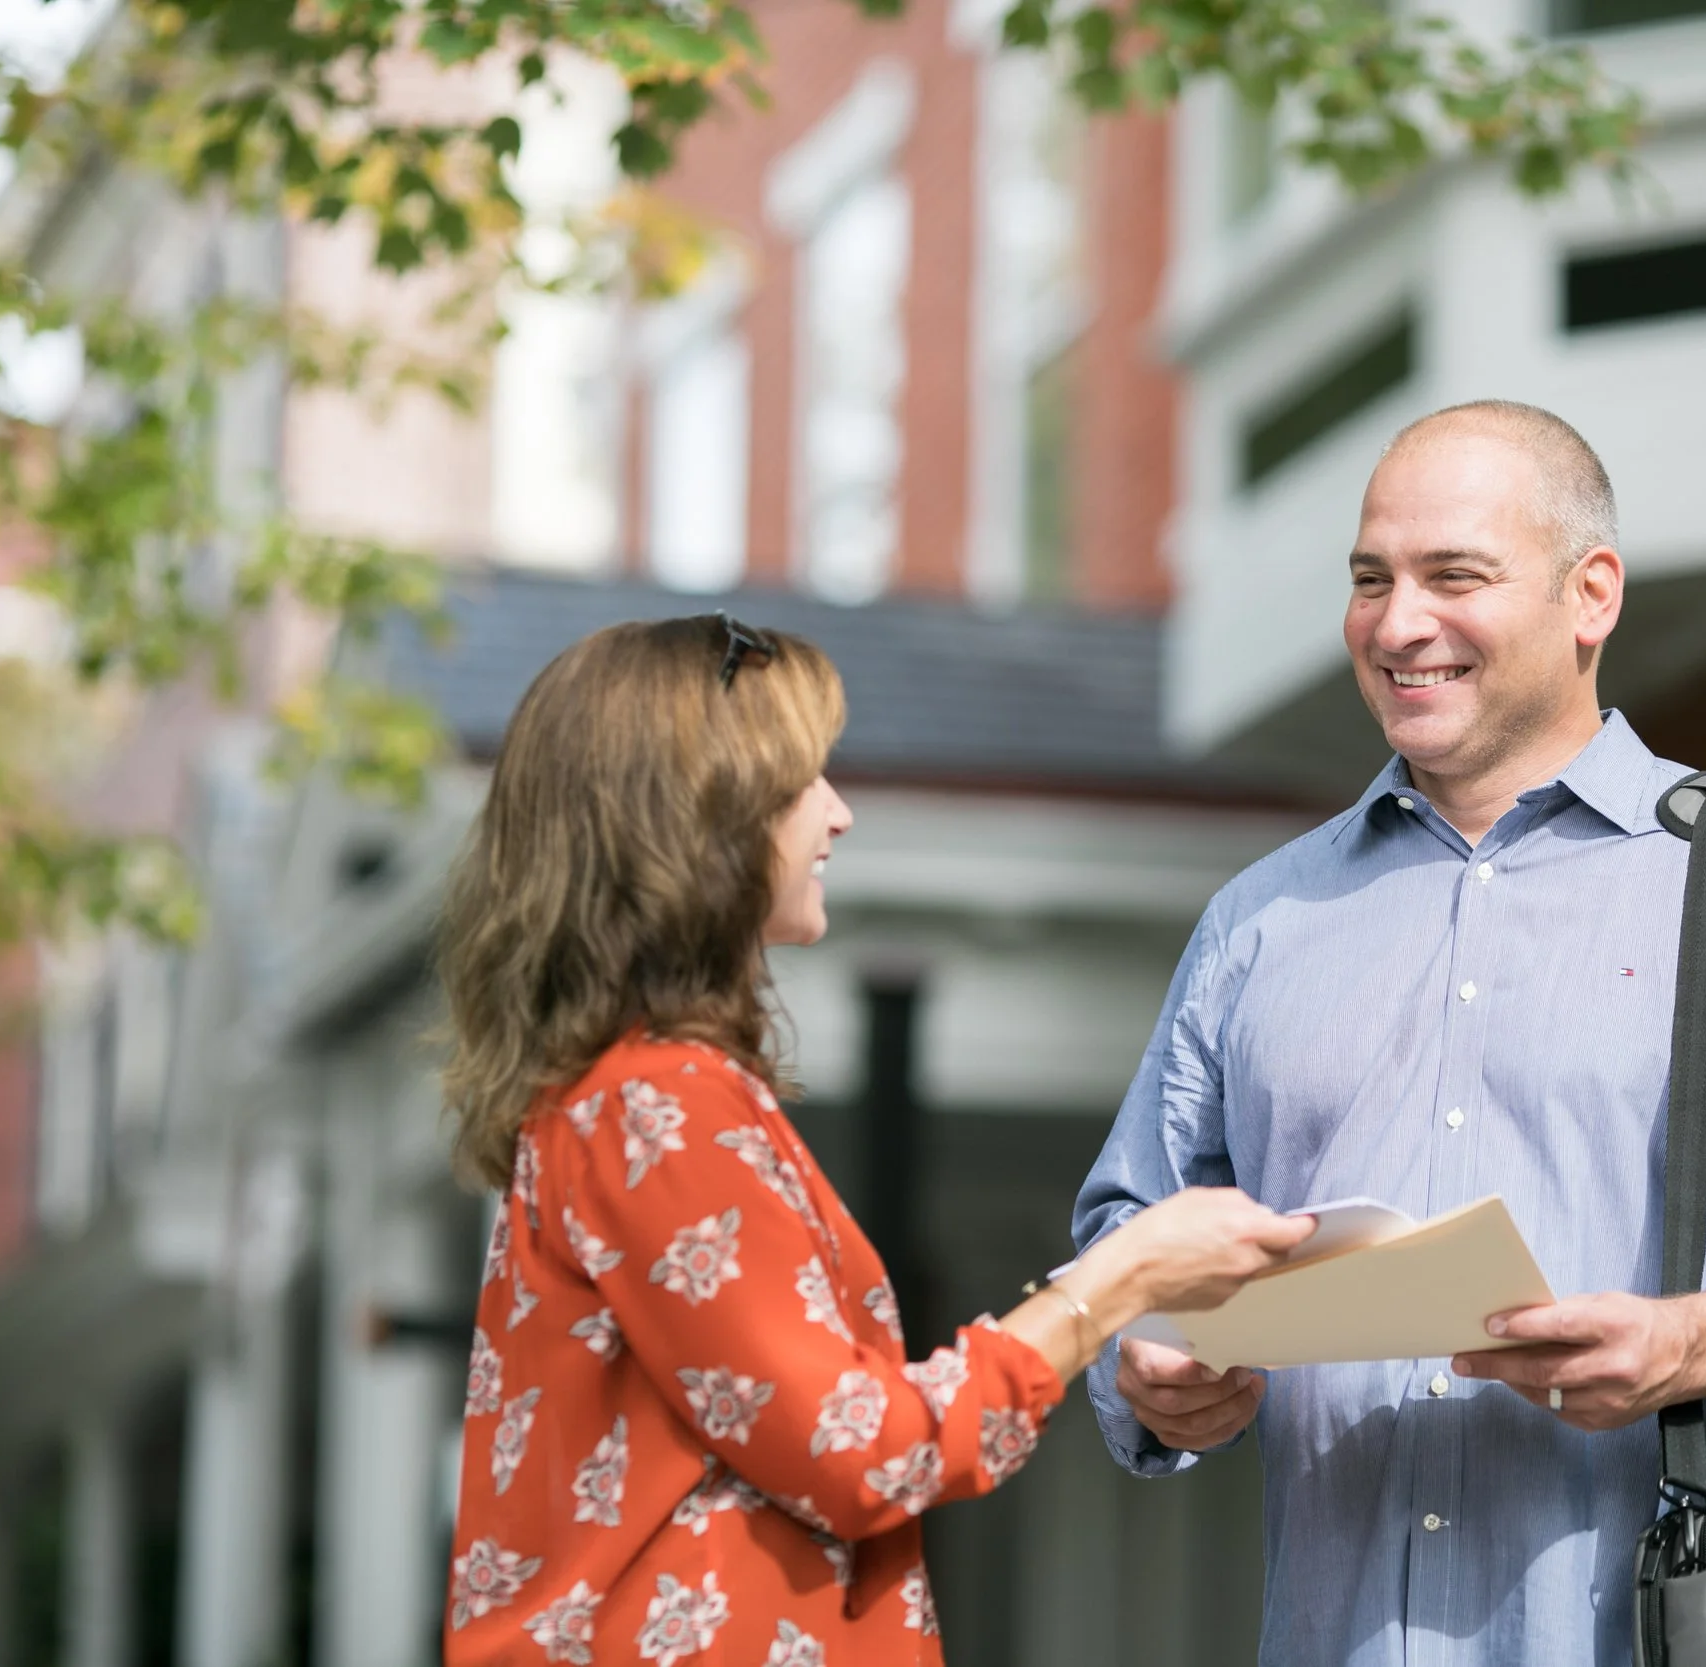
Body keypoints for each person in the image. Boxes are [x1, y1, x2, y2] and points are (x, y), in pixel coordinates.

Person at [1073, 401, 1706, 1666]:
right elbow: (1130, 1227)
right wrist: (1142, 1360)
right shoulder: (1259, 919)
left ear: (1588, 593)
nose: (1398, 624)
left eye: (1455, 575)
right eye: (1370, 579)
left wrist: (1693, 1338)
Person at [436, 615, 1311, 1666]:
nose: (838, 813)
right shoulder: (654, 1105)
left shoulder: (628, 1096)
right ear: (698, 810)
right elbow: (864, 1449)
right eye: (803, 778)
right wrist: (1118, 1278)